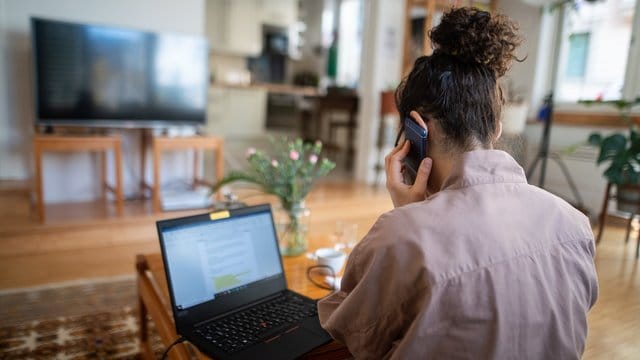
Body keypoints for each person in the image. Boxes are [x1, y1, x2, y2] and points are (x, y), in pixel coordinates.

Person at [317, 7, 598, 359]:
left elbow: (346, 330)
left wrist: (412, 217)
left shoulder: (401, 237)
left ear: (418, 128)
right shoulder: (575, 226)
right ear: (496, 127)